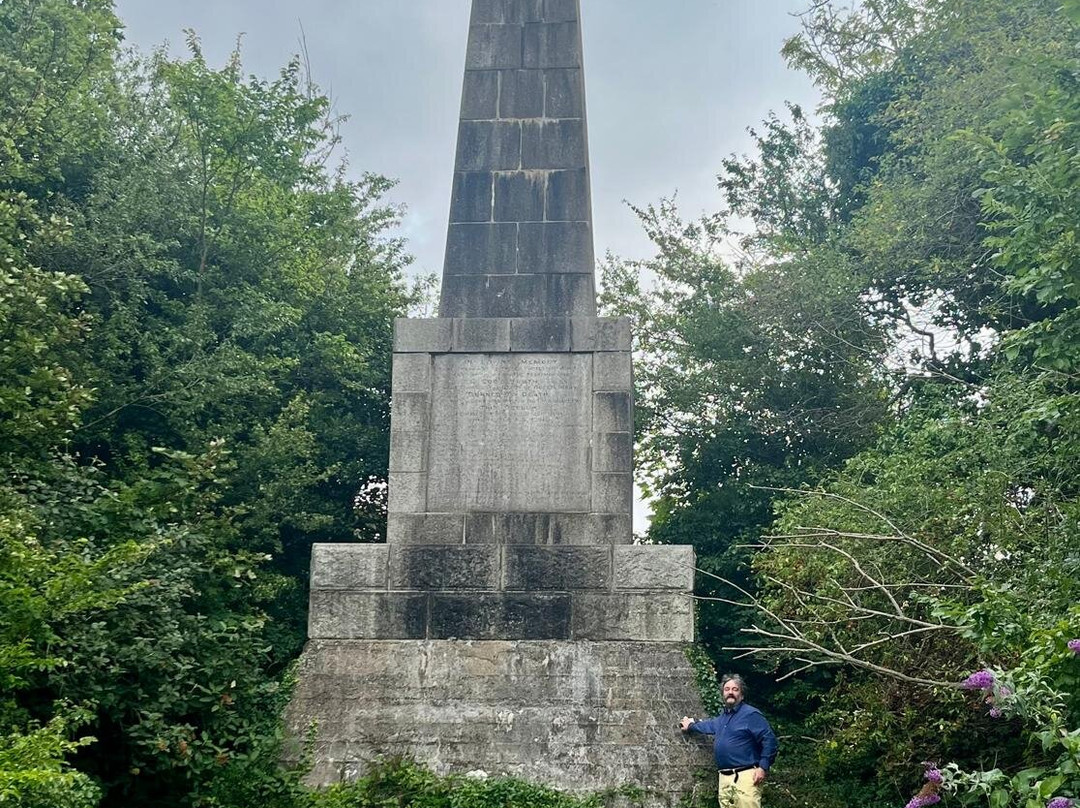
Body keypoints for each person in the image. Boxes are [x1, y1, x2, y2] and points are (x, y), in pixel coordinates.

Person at [679, 673, 778, 808]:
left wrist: (763, 767)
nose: (730, 692)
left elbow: (769, 740)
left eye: (735, 689)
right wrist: (690, 726)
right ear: (723, 694)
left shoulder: (751, 714)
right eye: (727, 689)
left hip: (746, 777)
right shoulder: (722, 718)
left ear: (742, 695)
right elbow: (708, 726)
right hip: (724, 779)